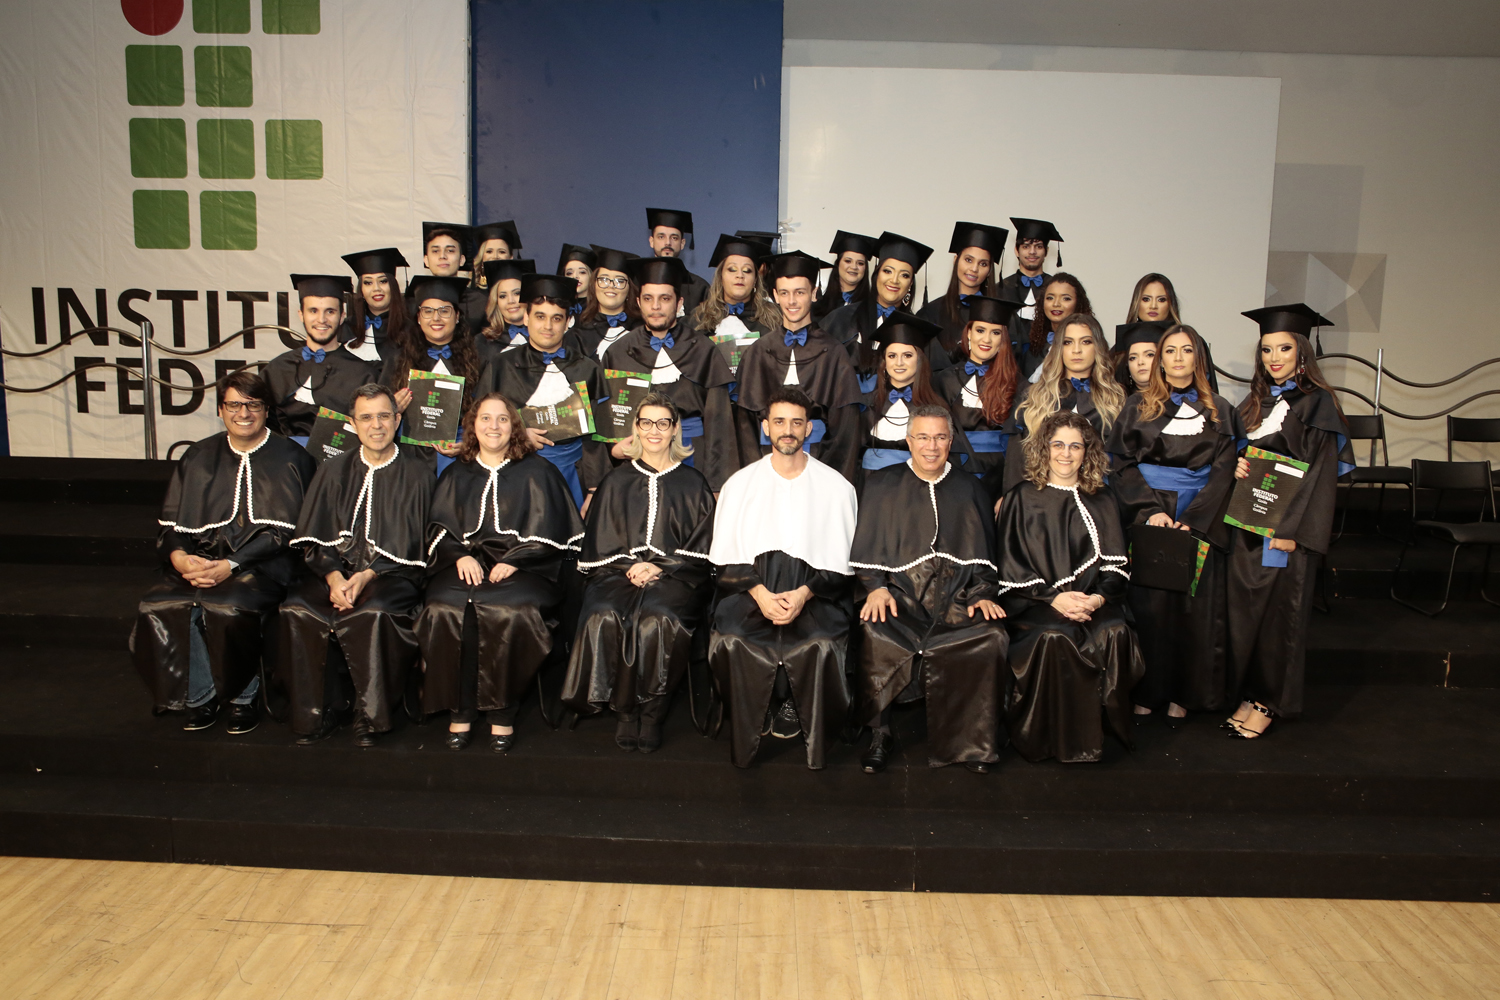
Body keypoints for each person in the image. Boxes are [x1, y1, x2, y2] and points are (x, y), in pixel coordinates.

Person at [132, 370, 317, 733]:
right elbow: (171, 525)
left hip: (265, 565)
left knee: (227, 606)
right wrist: (180, 559)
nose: (243, 413)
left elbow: (291, 532)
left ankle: (242, 697)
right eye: (234, 404)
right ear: (220, 410)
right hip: (199, 560)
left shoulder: (292, 458)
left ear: (267, 410)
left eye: (252, 405)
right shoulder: (198, 456)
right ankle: (199, 696)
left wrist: (231, 564)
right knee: (159, 605)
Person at [417, 392, 584, 753]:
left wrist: (517, 559)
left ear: (515, 426)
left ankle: (502, 715)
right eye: (486, 419)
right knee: (445, 607)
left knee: (511, 611)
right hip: (464, 565)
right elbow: (438, 528)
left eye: (503, 419)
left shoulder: (539, 470)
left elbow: (556, 532)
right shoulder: (456, 472)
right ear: (473, 427)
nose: (494, 426)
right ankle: (460, 710)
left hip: (527, 568)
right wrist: (459, 556)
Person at [852, 404, 1008, 774]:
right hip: (900, 595)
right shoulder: (882, 484)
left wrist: (983, 593)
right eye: (922, 437)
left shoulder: (970, 487)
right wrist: (875, 587)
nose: (931, 446)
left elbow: (984, 554)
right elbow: (867, 549)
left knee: (990, 635)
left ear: (951, 440)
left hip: (958, 595)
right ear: (909, 441)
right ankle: (880, 731)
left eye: (939, 437)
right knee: (876, 629)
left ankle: (973, 742)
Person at [708, 387, 859, 769]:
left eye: (796, 422)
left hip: (813, 593)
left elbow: (840, 567)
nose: (787, 430)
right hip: (750, 589)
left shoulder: (837, 488)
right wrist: (758, 593)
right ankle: (753, 712)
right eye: (779, 422)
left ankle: (794, 703)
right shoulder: (739, 484)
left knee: (820, 643)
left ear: (809, 428)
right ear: (765, 428)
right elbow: (725, 560)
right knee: (732, 640)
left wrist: (805, 594)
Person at [278, 383, 434, 747]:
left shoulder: (419, 472)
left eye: (384, 416)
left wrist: (367, 574)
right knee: (299, 609)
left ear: (398, 419)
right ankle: (322, 709)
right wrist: (334, 576)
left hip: (392, 573)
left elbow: (418, 545)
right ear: (353, 423)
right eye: (366, 417)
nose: (376, 425)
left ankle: (371, 714)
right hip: (333, 570)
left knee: (373, 612)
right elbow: (313, 537)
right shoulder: (333, 469)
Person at [1225, 304, 1355, 739]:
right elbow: (1237, 454)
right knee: (1249, 615)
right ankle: (1250, 692)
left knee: (1282, 616)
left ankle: (1270, 701)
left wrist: (1292, 535)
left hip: (1285, 532)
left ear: (1303, 352)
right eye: (1266, 350)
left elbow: (1321, 479)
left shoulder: (1318, 405)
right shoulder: (1256, 402)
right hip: (1247, 525)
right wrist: (1237, 466)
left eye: (1283, 348)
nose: (1274, 357)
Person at [563, 394, 717, 753]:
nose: (654, 431)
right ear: (635, 428)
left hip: (678, 575)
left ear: (675, 429)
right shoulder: (615, 482)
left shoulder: (693, 482)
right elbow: (599, 543)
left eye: (663, 423)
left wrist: (660, 565)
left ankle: (651, 713)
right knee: (604, 613)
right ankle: (624, 710)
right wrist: (629, 566)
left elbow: (705, 546)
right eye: (646, 422)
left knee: (659, 618)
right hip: (617, 573)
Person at [1107, 324, 1241, 720]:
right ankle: (1148, 691)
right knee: (1149, 608)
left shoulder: (1220, 409)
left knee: (1193, 610)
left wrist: (1195, 519)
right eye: (1170, 351)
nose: (1178, 358)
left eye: (1187, 350)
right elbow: (1121, 463)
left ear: (1199, 358)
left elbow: (1225, 470)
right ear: (1160, 359)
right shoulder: (1137, 406)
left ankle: (1187, 694)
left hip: (1199, 516)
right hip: (1151, 514)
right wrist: (1151, 512)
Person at [996, 410, 1144, 763]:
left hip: (1094, 600)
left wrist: (1095, 599)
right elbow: (1012, 567)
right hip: (1034, 602)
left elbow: (1116, 566)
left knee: (1115, 632)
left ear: (1086, 452)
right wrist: (1054, 599)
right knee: (1055, 637)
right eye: (1058, 444)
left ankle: (1103, 734)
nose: (1066, 453)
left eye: (1075, 446)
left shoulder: (1102, 497)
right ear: (1044, 449)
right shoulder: (1021, 496)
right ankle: (1053, 740)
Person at [602, 256, 738, 490]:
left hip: (694, 454)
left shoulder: (703, 349)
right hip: (638, 457)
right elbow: (607, 416)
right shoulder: (618, 352)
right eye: (648, 299)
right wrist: (613, 449)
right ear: (638, 302)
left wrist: (717, 485)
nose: (656, 307)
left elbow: (720, 424)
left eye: (664, 299)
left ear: (678, 303)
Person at [477, 273, 610, 509]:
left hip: (574, 475)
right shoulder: (501, 365)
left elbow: (596, 439)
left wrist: (594, 489)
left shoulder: (587, 369)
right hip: (516, 471)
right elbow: (479, 421)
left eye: (556, 318)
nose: (548, 326)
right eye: (540, 317)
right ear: (526, 317)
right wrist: (517, 435)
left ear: (568, 322)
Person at [732, 250, 863, 485]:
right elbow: (745, 428)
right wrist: (757, 475)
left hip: (819, 466)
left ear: (814, 294)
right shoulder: (758, 351)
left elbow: (846, 431)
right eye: (784, 293)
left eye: (800, 293)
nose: (791, 301)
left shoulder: (834, 352)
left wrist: (826, 477)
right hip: (765, 466)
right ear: (775, 295)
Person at [1003, 313, 1125, 495]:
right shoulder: (1034, 396)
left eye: (1086, 342)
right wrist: (1010, 497)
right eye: (1068, 342)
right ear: (1059, 348)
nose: (1077, 350)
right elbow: (1016, 458)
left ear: (1098, 347)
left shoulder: (1115, 399)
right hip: (1039, 496)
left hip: (1098, 495)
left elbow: (1121, 465)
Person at [263, 274, 377, 445]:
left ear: (342, 316)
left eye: (330, 311)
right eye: (313, 311)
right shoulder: (277, 368)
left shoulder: (363, 374)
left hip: (342, 466)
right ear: (301, 315)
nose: (321, 320)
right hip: (284, 464)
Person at [382, 275, 477, 475]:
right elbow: (378, 410)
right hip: (409, 458)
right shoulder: (399, 358)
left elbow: (485, 413)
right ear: (418, 317)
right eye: (427, 311)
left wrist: (468, 442)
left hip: (458, 460)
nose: (436, 318)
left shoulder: (476, 360)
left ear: (457, 316)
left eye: (444, 311)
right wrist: (391, 408)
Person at [931, 296, 1023, 500]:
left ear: (1004, 339)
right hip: (953, 475)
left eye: (996, 333)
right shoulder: (943, 380)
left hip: (1000, 478)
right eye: (980, 330)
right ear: (969, 333)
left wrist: (1009, 493)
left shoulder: (1018, 384)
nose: (987, 340)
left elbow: (1019, 445)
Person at [859, 312, 972, 474]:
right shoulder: (865, 404)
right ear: (884, 362)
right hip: (870, 487)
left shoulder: (936, 407)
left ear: (919, 360)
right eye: (892, 356)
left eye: (907, 355)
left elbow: (950, 461)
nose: (899, 363)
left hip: (917, 489)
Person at [821, 232, 934, 389]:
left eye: (904, 275)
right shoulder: (842, 318)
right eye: (888, 271)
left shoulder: (914, 330)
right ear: (876, 274)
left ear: (910, 285)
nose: (894, 280)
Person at [918, 221, 1008, 372]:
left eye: (983, 264)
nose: (974, 269)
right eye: (968, 260)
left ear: (989, 270)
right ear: (956, 260)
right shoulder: (930, 314)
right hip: (942, 393)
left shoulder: (1002, 315)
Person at [690, 233, 780, 376]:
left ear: (756, 279)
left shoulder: (774, 320)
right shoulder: (699, 319)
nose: (740, 275)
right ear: (720, 276)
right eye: (732, 269)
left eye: (747, 270)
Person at [1123, 273, 1219, 392]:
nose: (1153, 306)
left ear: (1170, 304)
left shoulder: (1191, 340)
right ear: (1137, 302)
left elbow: (1207, 392)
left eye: (1161, 299)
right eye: (1146, 299)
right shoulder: (1122, 346)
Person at [997, 217, 1063, 356]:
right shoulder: (1000, 289)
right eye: (1026, 246)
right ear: (1016, 250)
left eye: (1038, 246)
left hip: (1048, 360)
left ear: (1046, 251)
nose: (1032, 252)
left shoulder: (1057, 288)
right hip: (1008, 360)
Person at [341, 247, 412, 366]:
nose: (376, 288)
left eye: (383, 281)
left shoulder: (411, 330)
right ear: (361, 290)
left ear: (393, 287)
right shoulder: (346, 329)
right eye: (368, 283)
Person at [1018, 272, 1093, 381]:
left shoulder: (1086, 346)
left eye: (1066, 298)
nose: (1056, 304)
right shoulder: (1034, 347)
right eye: (1050, 298)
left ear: (1078, 303)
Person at [418, 221, 488, 333]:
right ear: (426, 260)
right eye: (435, 251)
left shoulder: (481, 303)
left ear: (462, 260)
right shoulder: (412, 303)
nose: (442, 256)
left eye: (450, 250)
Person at [573, 245, 640, 360]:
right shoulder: (578, 331)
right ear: (594, 284)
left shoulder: (642, 331)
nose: (611, 286)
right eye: (603, 279)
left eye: (619, 281)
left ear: (629, 288)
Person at [646, 207, 711, 316]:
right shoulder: (637, 284)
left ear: (682, 243)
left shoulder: (700, 288)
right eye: (661, 237)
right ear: (651, 241)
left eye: (674, 238)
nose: (667, 243)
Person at [475, 258, 537, 366]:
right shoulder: (483, 342)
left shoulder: (543, 336)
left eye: (517, 293)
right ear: (496, 302)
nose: (511, 301)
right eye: (503, 296)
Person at [811, 230, 876, 322]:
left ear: (865, 268)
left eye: (860, 263)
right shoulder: (821, 305)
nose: (854, 267)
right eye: (848, 261)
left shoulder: (872, 309)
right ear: (838, 264)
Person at [1112, 319, 1172, 394]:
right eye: (1133, 358)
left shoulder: (1178, 398)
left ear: (1162, 360)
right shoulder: (1118, 401)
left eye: (1149, 355)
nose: (1140, 362)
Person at [558, 243, 596, 323]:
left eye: (582, 272)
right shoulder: (558, 307)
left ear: (591, 276)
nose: (575, 276)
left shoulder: (599, 311)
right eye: (569, 273)